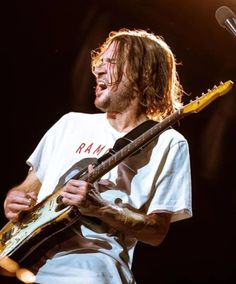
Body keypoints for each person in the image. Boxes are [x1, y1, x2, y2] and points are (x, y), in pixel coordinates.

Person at [3, 28, 192, 284]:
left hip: (91, 271)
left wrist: (100, 207)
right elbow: (29, 186)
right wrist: (16, 198)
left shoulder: (169, 142)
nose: (98, 70)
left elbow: (156, 231)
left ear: (143, 73)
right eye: (99, 62)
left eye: (111, 62)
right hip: (24, 265)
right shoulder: (69, 124)